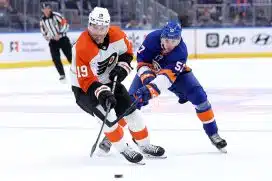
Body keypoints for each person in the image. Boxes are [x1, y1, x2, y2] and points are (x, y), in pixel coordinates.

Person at [99, 21, 227, 154]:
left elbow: (166, 78)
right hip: (149, 71)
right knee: (129, 103)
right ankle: (110, 138)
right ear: (161, 37)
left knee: (200, 97)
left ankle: (213, 133)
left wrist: (151, 88)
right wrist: (147, 78)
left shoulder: (181, 51)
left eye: (175, 41)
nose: (170, 45)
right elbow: (142, 62)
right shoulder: (151, 38)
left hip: (175, 75)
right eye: (167, 40)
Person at [70, 7, 165, 164]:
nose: (98, 32)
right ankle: (124, 148)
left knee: (133, 115)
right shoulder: (82, 47)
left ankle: (145, 145)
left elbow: (127, 54)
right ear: (89, 25)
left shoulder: (118, 35)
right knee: (109, 118)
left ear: (108, 27)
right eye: (94, 27)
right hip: (85, 89)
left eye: (102, 28)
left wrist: (122, 68)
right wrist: (103, 93)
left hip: (108, 80)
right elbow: (86, 80)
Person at [40, 3, 72, 82]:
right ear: (42, 10)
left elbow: (66, 24)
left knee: (70, 56)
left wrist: (60, 34)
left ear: (50, 9)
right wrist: (47, 37)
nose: (46, 10)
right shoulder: (42, 20)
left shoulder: (56, 15)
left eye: (47, 8)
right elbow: (43, 31)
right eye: (44, 9)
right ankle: (62, 75)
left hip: (63, 39)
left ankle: (79, 71)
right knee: (55, 58)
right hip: (53, 42)